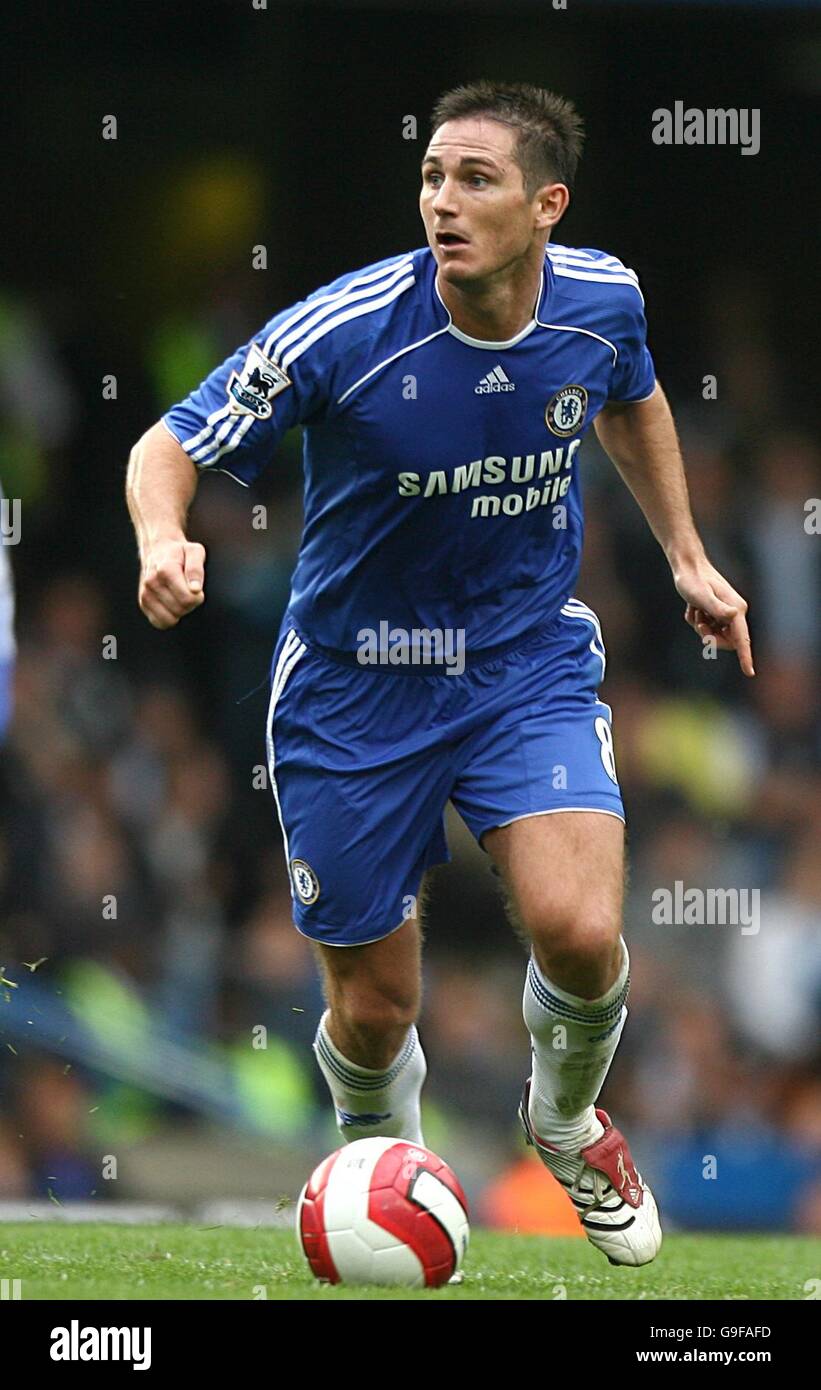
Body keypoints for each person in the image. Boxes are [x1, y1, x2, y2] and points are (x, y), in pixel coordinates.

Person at [126, 81, 754, 1267]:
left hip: (522, 663)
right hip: (352, 689)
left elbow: (631, 395)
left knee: (576, 930)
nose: (441, 201)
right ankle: (380, 1163)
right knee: (374, 1009)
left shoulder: (600, 299)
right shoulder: (349, 329)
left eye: (473, 179)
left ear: (544, 205)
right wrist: (164, 540)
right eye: (429, 176)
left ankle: (563, 1121)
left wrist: (685, 554)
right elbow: (168, 440)